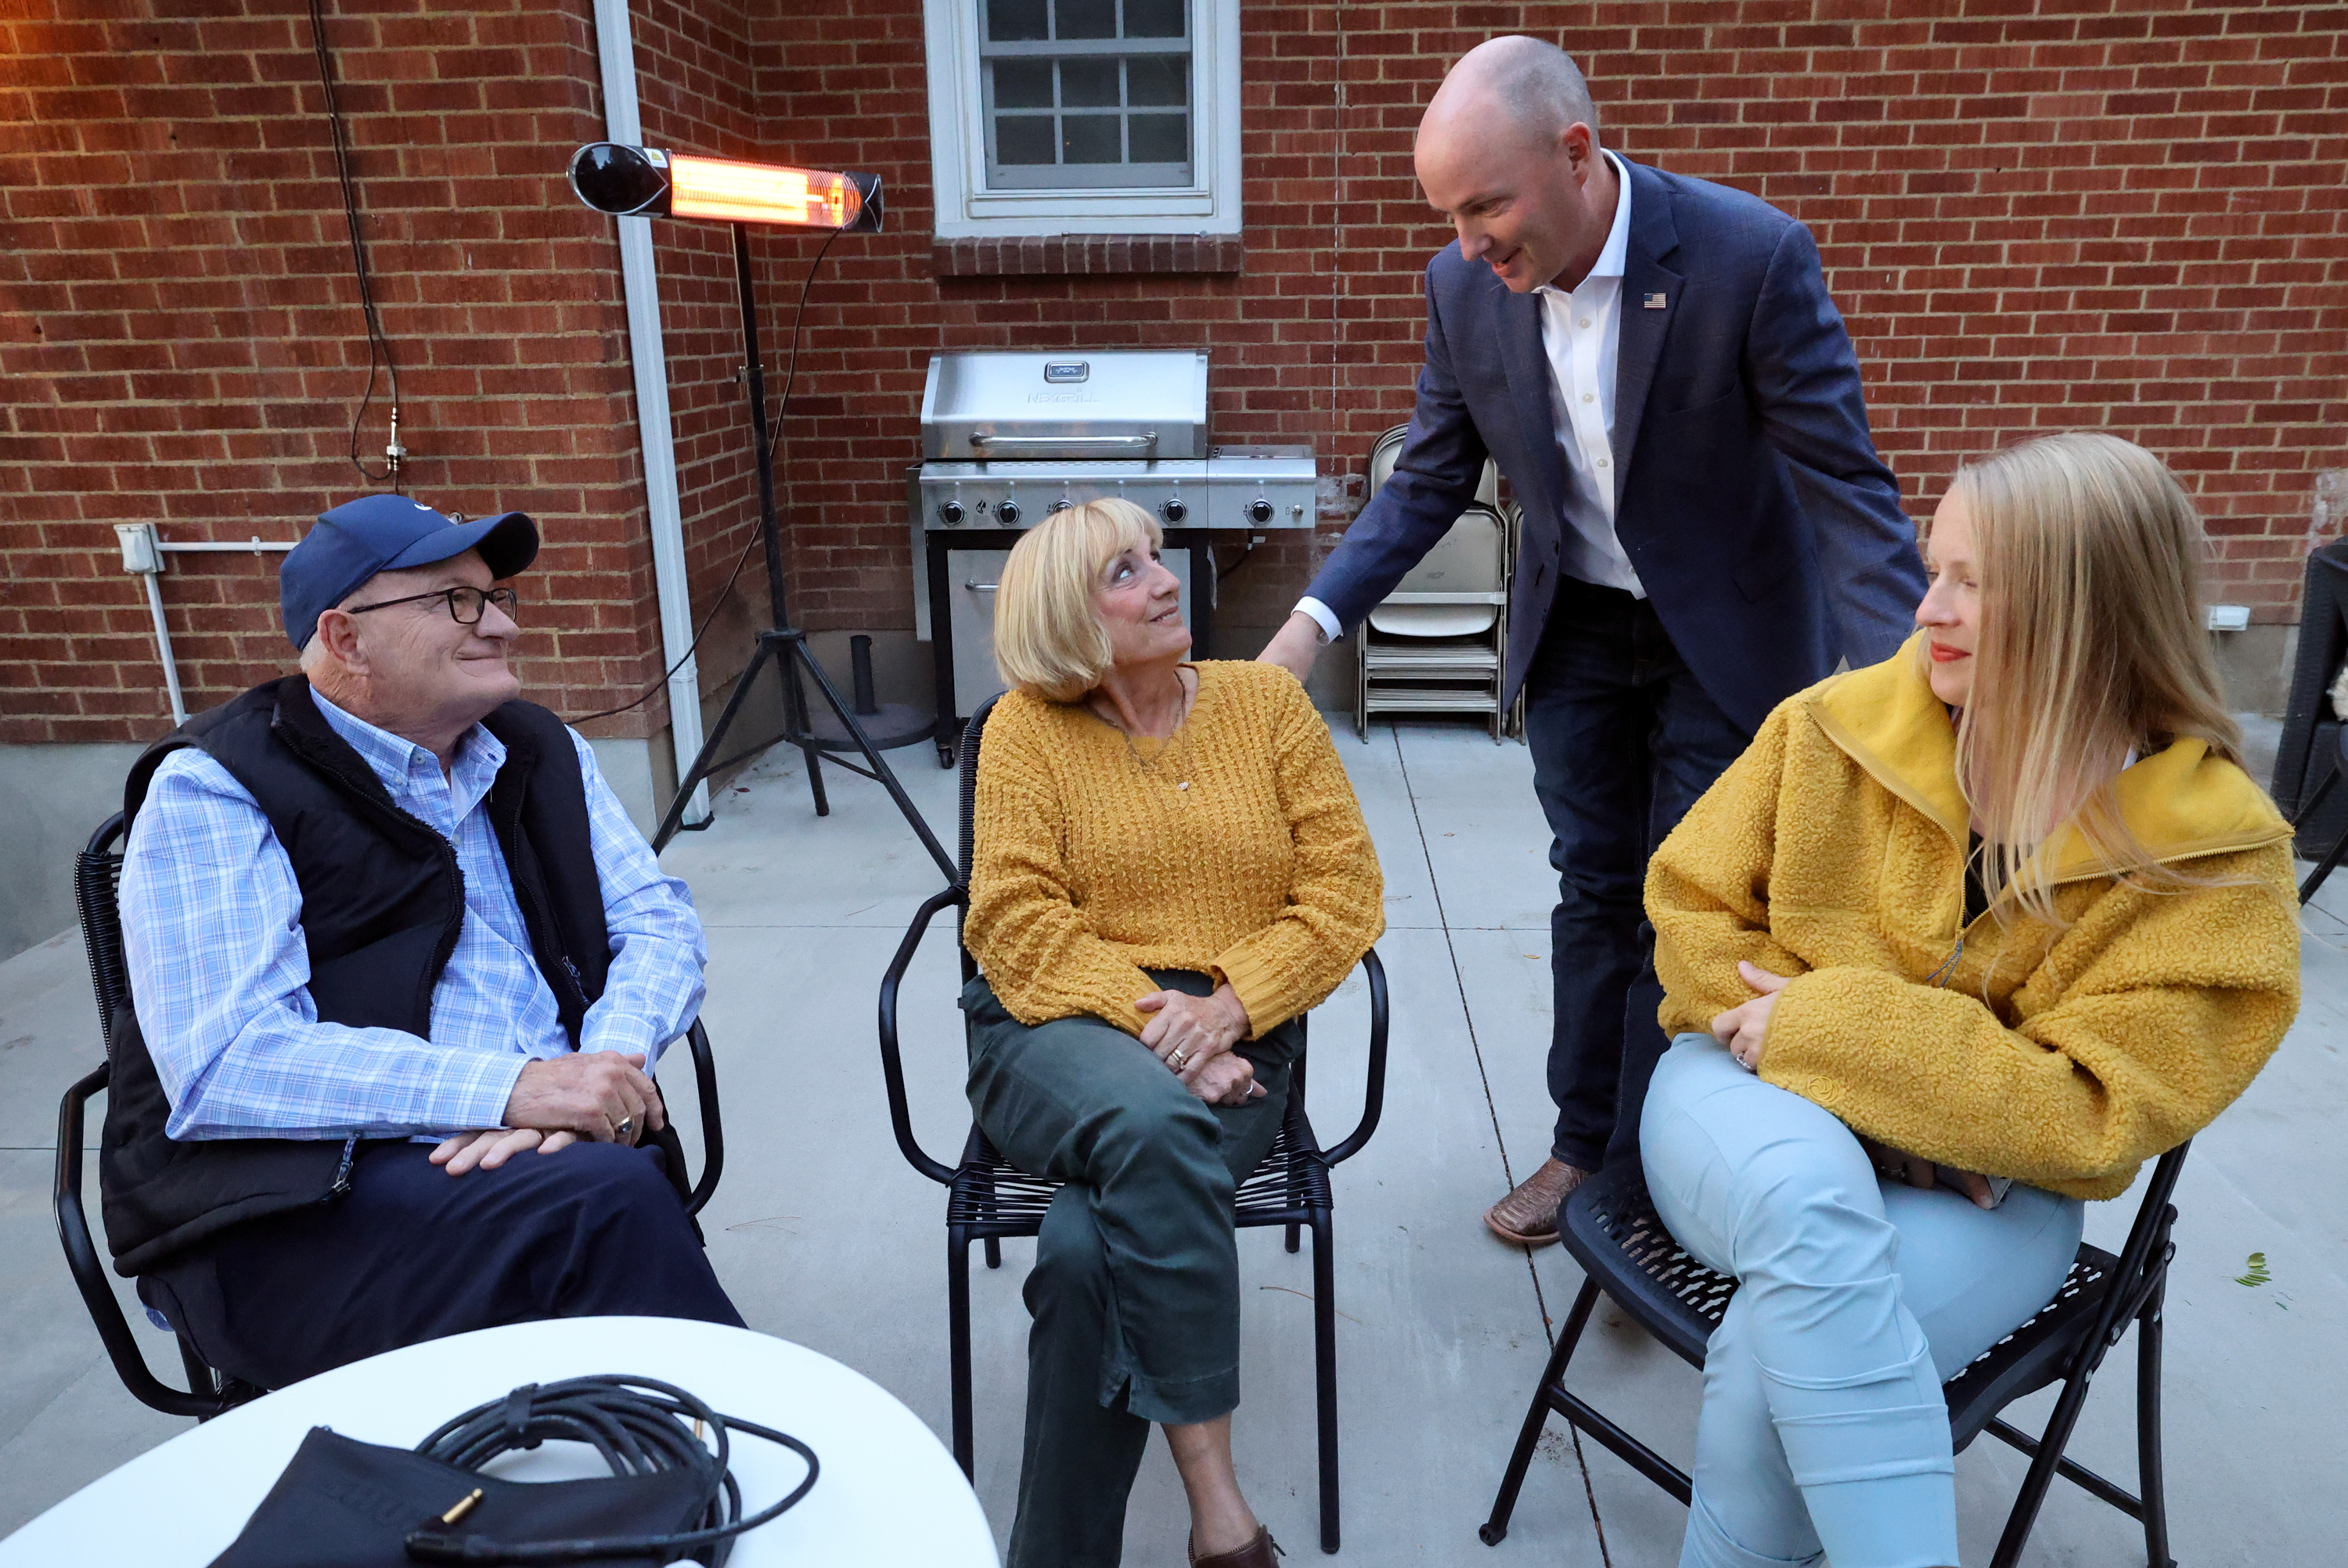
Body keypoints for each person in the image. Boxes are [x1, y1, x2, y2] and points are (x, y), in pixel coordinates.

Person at [1257, 35, 1928, 1248]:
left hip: (1727, 635)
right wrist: (1307, 632)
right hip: (1576, 633)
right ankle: (1583, 1147)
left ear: (1575, 155)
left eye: (1485, 207)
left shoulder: (1747, 257)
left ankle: (1649, 1181)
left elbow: (1845, 489)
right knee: (1595, 891)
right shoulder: (1462, 288)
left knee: (1692, 908)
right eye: (1448, 215)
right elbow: (1426, 485)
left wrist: (1920, 683)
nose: (1468, 243)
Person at [1638, 432, 2299, 1568]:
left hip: (1997, 1194)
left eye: (1973, 583)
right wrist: (1873, 1094)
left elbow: (2090, 1113)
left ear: (2092, 608)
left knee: (1763, 1374)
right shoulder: (1833, 729)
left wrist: (1831, 1031)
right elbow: (1694, 917)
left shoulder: (2213, 855)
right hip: (1738, 1095)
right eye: (1931, 567)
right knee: (1807, 1203)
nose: (1927, 608)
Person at [108, 494, 743, 1391]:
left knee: (603, 1203)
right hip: (294, 1211)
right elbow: (227, 1063)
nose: (499, 626)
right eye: (456, 600)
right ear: (347, 637)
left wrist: (599, 1069)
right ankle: (730, 1469)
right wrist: (512, 1088)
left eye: (497, 598)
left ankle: (632, 1485)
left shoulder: (538, 747)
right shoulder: (216, 786)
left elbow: (657, 921)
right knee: (611, 1208)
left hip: (551, 1161)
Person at [962, 498, 1384, 1568]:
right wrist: (1171, 1032)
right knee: (1154, 1118)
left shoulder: (1267, 708)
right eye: (1123, 572)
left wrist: (1230, 1009)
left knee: (1080, 1246)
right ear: (1067, 615)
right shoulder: (1023, 729)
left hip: (1245, 1036)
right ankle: (1223, 1512)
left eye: (1156, 559)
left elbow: (1345, 897)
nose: (1163, 580)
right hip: (1053, 1021)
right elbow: (1014, 924)